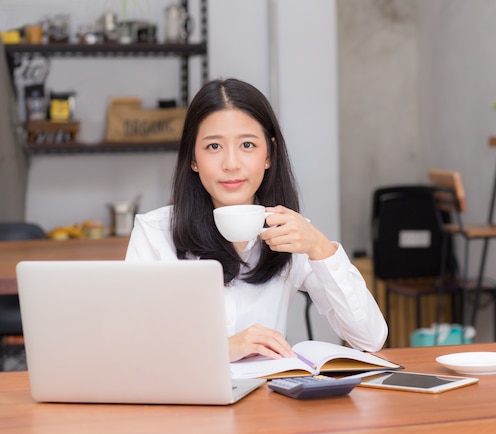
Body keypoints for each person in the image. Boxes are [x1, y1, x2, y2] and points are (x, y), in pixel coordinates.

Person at [125, 78, 387, 362]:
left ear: (268, 155)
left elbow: (369, 338)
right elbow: (129, 346)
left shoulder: (290, 233)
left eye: (247, 145)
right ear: (193, 158)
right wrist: (223, 349)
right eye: (214, 147)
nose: (231, 164)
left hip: (268, 400)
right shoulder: (155, 233)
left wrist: (321, 249)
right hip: (186, 400)